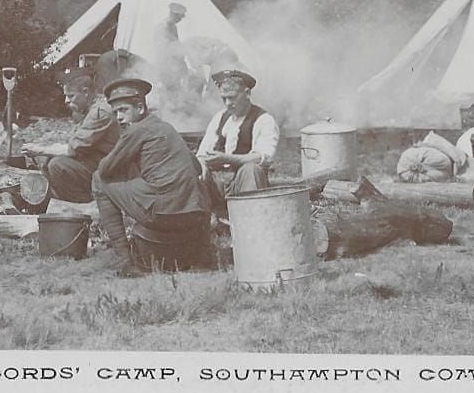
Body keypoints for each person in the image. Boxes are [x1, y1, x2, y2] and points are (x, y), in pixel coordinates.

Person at [93, 78, 210, 277]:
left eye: (123, 110)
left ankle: (125, 262)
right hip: (194, 213)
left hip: (162, 215)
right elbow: (197, 167)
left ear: (140, 108)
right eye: (116, 113)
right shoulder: (166, 128)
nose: (119, 117)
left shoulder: (136, 130)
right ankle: (203, 253)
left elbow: (105, 170)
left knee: (98, 180)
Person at [21, 69, 119, 203]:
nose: (66, 101)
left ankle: (83, 205)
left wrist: (39, 150)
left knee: (57, 165)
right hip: (99, 163)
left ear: (85, 92)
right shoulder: (91, 110)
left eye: (71, 96)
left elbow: (73, 148)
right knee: (49, 159)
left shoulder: (100, 113)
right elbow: (74, 141)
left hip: (111, 171)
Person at [197, 70, 280, 211]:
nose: (228, 104)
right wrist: (202, 165)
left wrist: (226, 158)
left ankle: (250, 217)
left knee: (251, 169)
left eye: (232, 98)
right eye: (224, 98)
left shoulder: (264, 120)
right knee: (193, 167)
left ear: (247, 93)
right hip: (217, 182)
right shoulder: (220, 117)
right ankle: (207, 218)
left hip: (243, 184)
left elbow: (262, 158)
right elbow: (202, 153)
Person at [152, 2, 189, 89]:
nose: (180, 20)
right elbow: (161, 50)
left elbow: (176, 44)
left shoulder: (173, 27)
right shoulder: (162, 28)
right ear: (174, 15)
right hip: (167, 67)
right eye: (179, 17)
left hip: (175, 65)